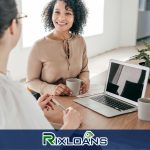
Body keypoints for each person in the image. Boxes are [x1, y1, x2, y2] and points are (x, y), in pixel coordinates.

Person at [0, 0, 81, 129]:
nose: (62, 18)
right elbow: (45, 144)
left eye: (68, 13)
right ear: (12, 26)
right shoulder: (13, 95)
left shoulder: (14, 98)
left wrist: (32, 109)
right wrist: (69, 126)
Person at [26, 0, 90, 96]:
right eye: (57, 12)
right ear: (51, 14)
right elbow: (30, 81)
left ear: (75, 17)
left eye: (68, 13)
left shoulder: (80, 41)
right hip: (48, 102)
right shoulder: (39, 46)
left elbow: (84, 70)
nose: (61, 18)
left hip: (75, 98)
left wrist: (84, 81)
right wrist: (51, 89)